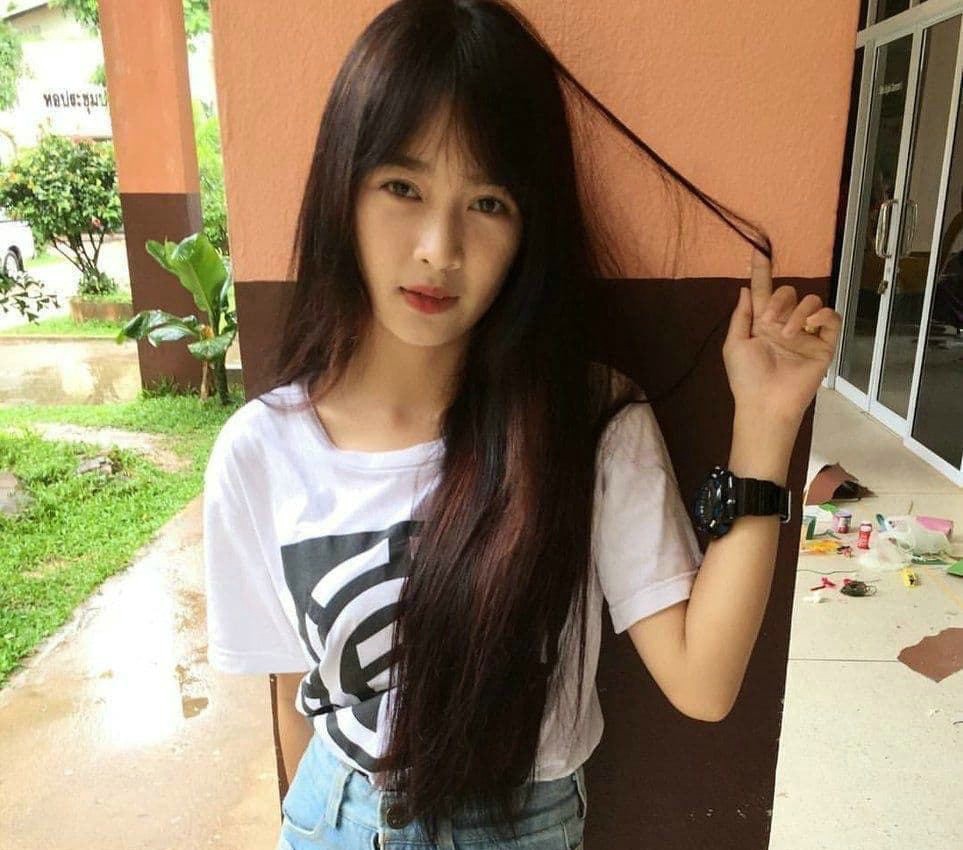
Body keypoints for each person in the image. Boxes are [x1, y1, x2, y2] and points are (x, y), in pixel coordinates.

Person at [202, 2, 842, 849]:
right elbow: (294, 698)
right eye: (402, 187)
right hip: (332, 815)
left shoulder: (587, 422)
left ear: (527, 227)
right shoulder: (261, 450)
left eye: (487, 202)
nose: (439, 247)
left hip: (519, 826)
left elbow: (703, 682)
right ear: (341, 191)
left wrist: (765, 423)